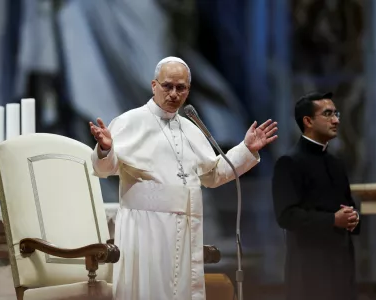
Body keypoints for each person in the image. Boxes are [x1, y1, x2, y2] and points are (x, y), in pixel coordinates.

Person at [89, 56, 278, 300]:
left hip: (185, 230)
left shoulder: (191, 127)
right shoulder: (129, 121)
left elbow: (213, 175)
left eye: (181, 88)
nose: (174, 94)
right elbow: (105, 169)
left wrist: (246, 149)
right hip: (145, 230)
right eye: (168, 86)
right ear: (154, 85)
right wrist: (104, 149)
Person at [272, 92, 360, 300]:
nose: (337, 120)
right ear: (308, 121)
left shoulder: (336, 163)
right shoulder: (289, 162)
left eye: (336, 114)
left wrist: (353, 218)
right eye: (328, 114)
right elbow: (286, 216)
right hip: (309, 270)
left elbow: (348, 205)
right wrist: (333, 220)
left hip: (342, 269)